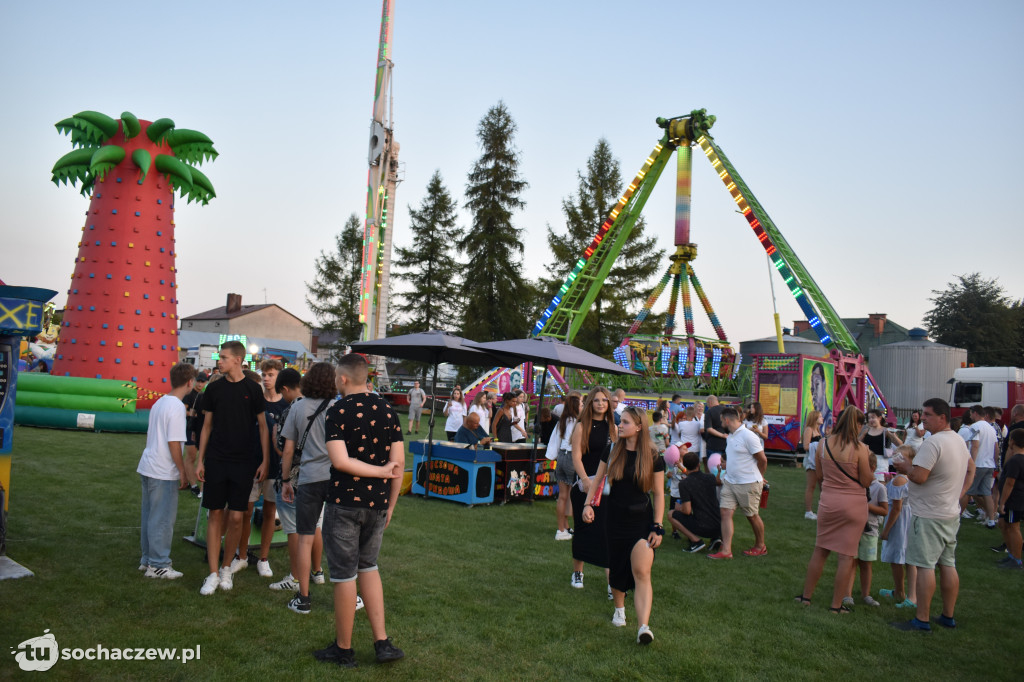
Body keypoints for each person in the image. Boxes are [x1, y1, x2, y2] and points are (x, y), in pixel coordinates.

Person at [315, 354, 405, 668]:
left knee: (343, 575)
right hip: (378, 504)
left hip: (344, 504)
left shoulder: (337, 410)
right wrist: (390, 503)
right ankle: (382, 643)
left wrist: (380, 474)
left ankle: (344, 650)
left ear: (342, 379)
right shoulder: (388, 409)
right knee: (369, 568)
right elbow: (399, 464)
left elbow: (340, 462)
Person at [891, 398, 975, 632]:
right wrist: (960, 493)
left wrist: (906, 468)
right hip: (949, 512)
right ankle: (948, 616)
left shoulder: (933, 442)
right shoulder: (958, 440)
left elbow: (919, 477)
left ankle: (922, 619)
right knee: (948, 563)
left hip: (928, 513)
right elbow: (971, 468)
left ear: (942, 417)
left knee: (924, 565)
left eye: (928, 415)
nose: (923, 418)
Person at [582, 406, 664, 644]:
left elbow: (659, 494)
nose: (620, 425)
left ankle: (643, 627)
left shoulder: (653, 455)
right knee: (617, 567)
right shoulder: (612, 450)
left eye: (625, 422)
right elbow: (597, 480)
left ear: (639, 426)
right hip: (614, 518)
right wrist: (588, 505)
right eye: (621, 421)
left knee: (641, 571)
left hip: (642, 521)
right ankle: (619, 609)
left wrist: (657, 526)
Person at [195, 341, 270, 596]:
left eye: (224, 358)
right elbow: (206, 426)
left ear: (238, 359)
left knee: (237, 516)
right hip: (216, 459)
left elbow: (263, 427)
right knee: (215, 513)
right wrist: (199, 460)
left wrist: (264, 460)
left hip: (244, 461)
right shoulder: (213, 389)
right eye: (220, 357)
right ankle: (214, 573)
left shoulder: (253, 389)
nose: (220, 362)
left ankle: (227, 567)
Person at [795, 406, 873, 613]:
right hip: (853, 504)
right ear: (857, 424)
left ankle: (806, 596)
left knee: (820, 550)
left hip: (829, 502)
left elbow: (819, 476)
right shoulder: (861, 449)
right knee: (846, 556)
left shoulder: (823, 444)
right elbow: (866, 481)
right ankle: (836, 605)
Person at [279, 363, 339, 614]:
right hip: (337, 477)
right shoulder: (339, 407)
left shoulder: (297, 407)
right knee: (341, 539)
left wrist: (284, 481)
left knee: (304, 537)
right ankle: (350, 595)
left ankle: (303, 597)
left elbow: (288, 450)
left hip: (308, 478)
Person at [138, 362, 196, 579]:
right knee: (162, 519)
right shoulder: (177, 407)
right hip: (162, 469)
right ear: (190, 383)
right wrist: (182, 471)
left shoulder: (160, 402)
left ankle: (148, 560)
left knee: (149, 516)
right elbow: (174, 442)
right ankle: (159, 564)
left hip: (149, 465)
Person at [568, 387, 616, 591]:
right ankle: (578, 572)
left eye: (604, 400)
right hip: (584, 485)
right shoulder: (582, 426)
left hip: (606, 487)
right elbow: (576, 457)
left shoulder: (613, 427)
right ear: (590, 403)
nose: (601, 404)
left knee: (606, 532)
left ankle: (611, 581)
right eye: (596, 400)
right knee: (583, 529)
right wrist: (586, 480)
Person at [267, 367, 310, 594]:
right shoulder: (322, 406)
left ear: (284, 388)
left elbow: (284, 450)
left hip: (293, 479)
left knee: (293, 531)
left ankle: (295, 577)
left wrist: (275, 436)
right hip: (317, 478)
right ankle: (316, 572)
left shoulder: (291, 411)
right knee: (313, 528)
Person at [708, 406, 767, 559]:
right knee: (725, 512)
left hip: (748, 482)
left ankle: (761, 546)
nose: (721, 423)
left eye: (721, 420)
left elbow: (762, 460)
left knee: (752, 515)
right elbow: (738, 457)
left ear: (727, 420)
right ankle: (726, 551)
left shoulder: (748, 436)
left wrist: (759, 477)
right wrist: (727, 465)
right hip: (730, 481)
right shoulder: (731, 436)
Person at [255, 359, 287, 578]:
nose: (266, 378)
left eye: (271, 375)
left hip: (275, 467)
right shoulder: (255, 401)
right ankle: (239, 554)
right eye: (264, 374)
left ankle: (263, 558)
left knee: (269, 512)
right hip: (251, 463)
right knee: (242, 510)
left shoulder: (286, 405)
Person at [845, 454, 888, 608]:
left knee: (866, 564)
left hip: (870, 531)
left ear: (872, 468)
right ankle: (847, 595)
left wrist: (866, 505)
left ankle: (866, 594)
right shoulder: (853, 484)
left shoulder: (879, 488)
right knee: (851, 562)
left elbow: (884, 510)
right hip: (853, 529)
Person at [879, 445, 918, 608]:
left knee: (897, 558)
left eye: (901, 457)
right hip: (910, 519)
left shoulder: (900, 480)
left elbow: (896, 508)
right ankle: (911, 594)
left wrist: (886, 530)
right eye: (895, 456)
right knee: (910, 558)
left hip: (900, 522)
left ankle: (900, 592)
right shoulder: (910, 477)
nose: (896, 459)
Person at [670, 452, 722, 553]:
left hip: (703, 527)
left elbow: (687, 511)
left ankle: (696, 541)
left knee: (671, 514)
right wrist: (720, 471)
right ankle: (715, 538)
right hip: (719, 524)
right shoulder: (710, 477)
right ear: (699, 464)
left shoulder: (685, 484)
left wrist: (679, 508)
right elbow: (719, 481)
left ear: (685, 465)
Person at [548, 392, 581, 541]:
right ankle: (574, 528)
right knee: (575, 497)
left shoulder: (562, 420)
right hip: (572, 458)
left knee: (563, 497)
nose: (583, 406)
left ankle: (563, 528)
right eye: (581, 404)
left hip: (561, 456)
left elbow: (554, 440)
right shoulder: (577, 422)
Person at [995, 428, 1024, 569]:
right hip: (1012, 499)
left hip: (1013, 500)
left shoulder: (1016, 460)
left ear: (1013, 441)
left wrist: (1002, 502)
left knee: (1013, 527)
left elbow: (1010, 482)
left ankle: (1017, 560)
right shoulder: (1017, 458)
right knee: (1003, 524)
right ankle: (1011, 555)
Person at [967, 404, 999, 528]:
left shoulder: (975, 426)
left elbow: (974, 446)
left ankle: (957, 517)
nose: (970, 416)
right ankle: (991, 520)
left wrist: (972, 465)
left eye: (971, 413)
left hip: (979, 464)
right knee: (987, 493)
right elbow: (996, 448)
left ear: (975, 413)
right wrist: (994, 462)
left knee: (967, 491)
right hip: (989, 464)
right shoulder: (991, 428)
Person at [181, 371, 207, 497]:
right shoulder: (189, 394)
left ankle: (198, 485)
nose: (200, 384)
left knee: (201, 458)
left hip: (201, 428)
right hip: (191, 428)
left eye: (203, 381)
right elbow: (183, 410)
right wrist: (195, 414)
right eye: (199, 381)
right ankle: (193, 485)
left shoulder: (205, 394)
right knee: (191, 456)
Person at [860, 409, 902, 476]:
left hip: (881, 462)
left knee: (880, 482)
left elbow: (900, 444)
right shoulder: (866, 431)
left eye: (873, 417)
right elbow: (857, 443)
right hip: (867, 460)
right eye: (869, 418)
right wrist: (862, 435)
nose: (871, 420)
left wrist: (892, 435)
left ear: (879, 418)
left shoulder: (886, 431)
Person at [802, 410, 824, 520]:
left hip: (819, 461)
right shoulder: (809, 429)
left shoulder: (819, 431)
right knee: (811, 486)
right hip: (811, 461)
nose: (822, 418)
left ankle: (823, 510)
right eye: (820, 416)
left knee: (822, 487)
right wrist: (817, 445)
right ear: (814, 418)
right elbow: (806, 446)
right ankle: (808, 511)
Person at [702, 395, 727, 473]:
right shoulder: (727, 411)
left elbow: (709, 429)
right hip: (727, 444)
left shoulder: (709, 412)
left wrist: (722, 435)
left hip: (713, 445)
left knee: (713, 469)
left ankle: (713, 484)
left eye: (707, 404)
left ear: (710, 402)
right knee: (726, 469)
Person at [809, 362, 835, 433]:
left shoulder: (829, 419)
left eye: (817, 385)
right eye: (812, 389)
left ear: (824, 385)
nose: (814, 394)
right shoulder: (812, 421)